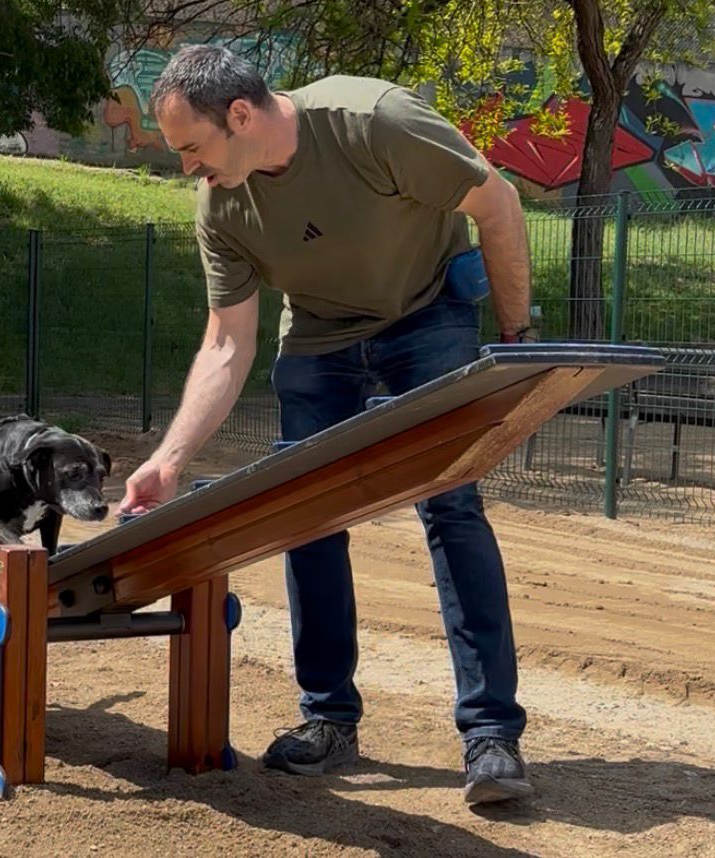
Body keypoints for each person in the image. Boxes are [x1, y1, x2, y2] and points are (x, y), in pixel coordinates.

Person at [117, 44, 537, 805]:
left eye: (191, 147)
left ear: (239, 115)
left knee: (450, 505)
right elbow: (226, 341)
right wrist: (169, 460)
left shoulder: (373, 123)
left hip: (428, 311)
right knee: (304, 511)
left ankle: (490, 734)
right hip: (317, 334)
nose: (188, 168)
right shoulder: (223, 205)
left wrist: (514, 344)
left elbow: (497, 203)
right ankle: (329, 720)